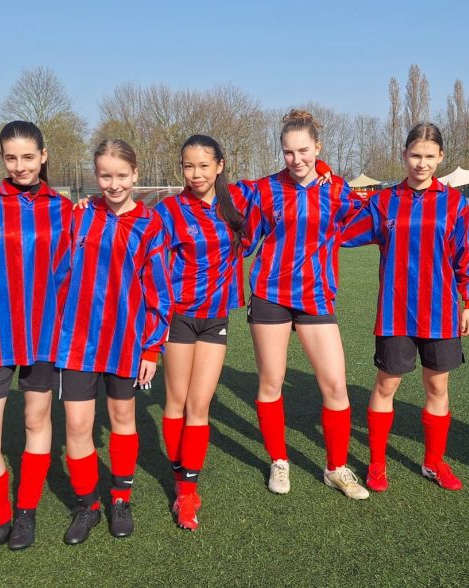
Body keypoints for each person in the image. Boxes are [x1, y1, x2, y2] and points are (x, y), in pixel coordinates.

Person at [0, 121, 72, 564]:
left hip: (44, 336)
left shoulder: (64, 210)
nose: (20, 166)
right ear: (1, 159)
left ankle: (25, 510)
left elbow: (73, 275)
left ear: (43, 156)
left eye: (28, 157)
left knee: (36, 423)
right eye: (10, 158)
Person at [342, 123, 469, 492]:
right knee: (386, 385)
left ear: (441, 158)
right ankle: (376, 463)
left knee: (437, 387)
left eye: (429, 156)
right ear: (404, 155)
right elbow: (344, 233)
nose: (421, 164)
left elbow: (465, 257)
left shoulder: (453, 203)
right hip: (395, 313)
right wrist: (338, 195)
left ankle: (433, 463)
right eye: (415, 155)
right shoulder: (384, 201)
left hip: (442, 314)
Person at [56, 139, 172, 543]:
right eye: (105, 175)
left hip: (126, 342)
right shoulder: (79, 217)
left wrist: (152, 348)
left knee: (123, 420)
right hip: (77, 342)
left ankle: (121, 498)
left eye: (121, 175)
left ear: (136, 175)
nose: (114, 183)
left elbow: (158, 289)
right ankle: (87, 504)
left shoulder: (150, 224)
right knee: (77, 424)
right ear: (95, 175)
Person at [249, 109, 368, 499]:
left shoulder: (336, 190)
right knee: (271, 382)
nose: (296, 159)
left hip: (315, 297)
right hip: (271, 296)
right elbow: (228, 212)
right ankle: (278, 461)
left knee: (335, 385)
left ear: (318, 147)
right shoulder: (265, 189)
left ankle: (335, 467)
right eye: (287, 152)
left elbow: (374, 221)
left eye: (303, 151)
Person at [154, 135, 251, 530]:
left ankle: (188, 492)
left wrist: (325, 173)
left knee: (200, 405)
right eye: (188, 166)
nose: (195, 174)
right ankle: (183, 489)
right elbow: (146, 254)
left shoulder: (237, 204)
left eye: (203, 166)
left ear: (220, 166)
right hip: (179, 318)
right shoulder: (169, 210)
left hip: (215, 318)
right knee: (176, 403)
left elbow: (285, 184)